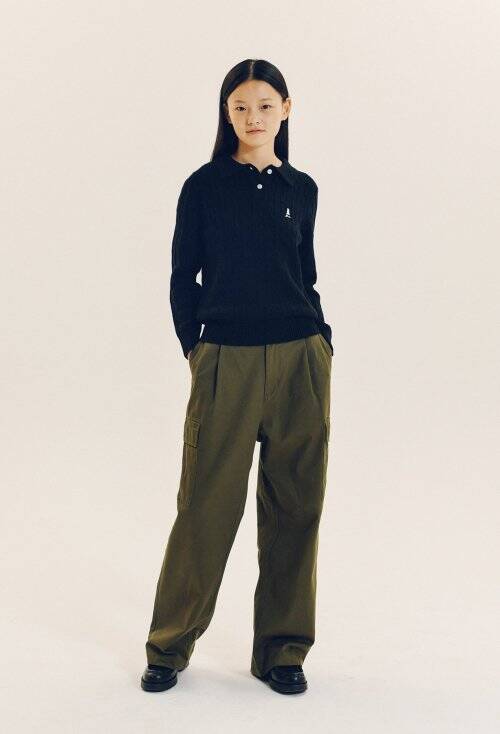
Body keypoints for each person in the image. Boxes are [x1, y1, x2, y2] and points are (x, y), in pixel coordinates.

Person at [141, 58, 334, 696]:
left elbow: (304, 274)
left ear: (286, 109)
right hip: (226, 358)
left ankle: (283, 650)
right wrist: (197, 349)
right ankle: (169, 646)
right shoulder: (204, 186)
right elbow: (182, 276)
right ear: (227, 114)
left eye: (265, 105)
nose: (253, 118)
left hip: (300, 359)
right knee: (205, 506)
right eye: (240, 107)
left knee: (296, 507)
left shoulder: (301, 188)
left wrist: (321, 340)